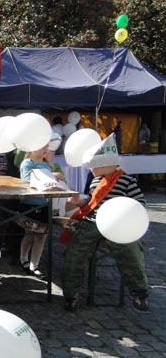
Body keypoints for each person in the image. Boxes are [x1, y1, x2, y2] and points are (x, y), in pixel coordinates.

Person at [60, 134, 149, 312]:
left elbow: (139, 206)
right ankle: (71, 294)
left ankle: (139, 292)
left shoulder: (127, 181)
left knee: (130, 251)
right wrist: (80, 203)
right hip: (92, 222)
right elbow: (92, 203)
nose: (90, 168)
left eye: (93, 164)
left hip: (119, 226)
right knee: (75, 254)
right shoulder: (94, 181)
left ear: (106, 163)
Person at [18, 143, 64, 278]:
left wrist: (58, 179)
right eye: (43, 146)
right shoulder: (27, 163)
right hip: (31, 204)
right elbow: (26, 180)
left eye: (47, 146)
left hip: (45, 204)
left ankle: (34, 265)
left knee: (41, 236)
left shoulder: (47, 164)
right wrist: (51, 177)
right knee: (29, 233)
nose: (46, 149)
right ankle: (23, 259)